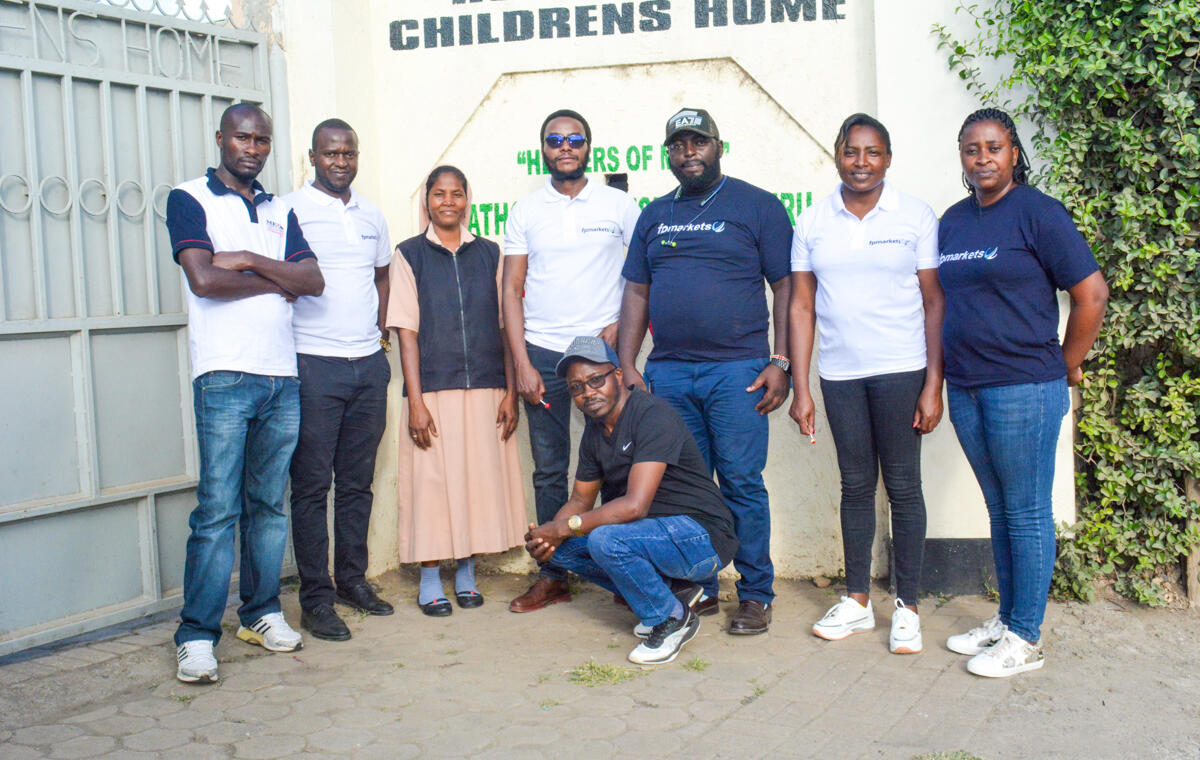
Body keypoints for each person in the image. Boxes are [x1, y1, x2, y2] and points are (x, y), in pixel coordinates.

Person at [938, 108, 1108, 677]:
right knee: (1000, 507)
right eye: (972, 149)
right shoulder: (954, 221)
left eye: (994, 147)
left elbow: (1092, 295)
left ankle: (1026, 638)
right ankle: (1008, 619)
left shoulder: (1038, 213)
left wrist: (1064, 366)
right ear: (962, 157)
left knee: (1028, 510)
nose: (982, 158)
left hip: (1024, 388)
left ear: (1014, 153)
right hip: (967, 386)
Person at [618, 107, 793, 635]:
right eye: (678, 145)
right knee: (686, 488)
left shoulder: (757, 205)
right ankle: (702, 585)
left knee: (741, 482)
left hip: (738, 372)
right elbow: (637, 292)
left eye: (698, 142)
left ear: (719, 146)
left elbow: (786, 288)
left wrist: (781, 361)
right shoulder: (654, 214)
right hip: (669, 374)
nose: (688, 152)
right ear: (667, 154)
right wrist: (627, 363)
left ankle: (756, 593)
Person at [166, 103, 324, 683]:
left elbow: (312, 280)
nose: (252, 148)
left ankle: (259, 613)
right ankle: (196, 635)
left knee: (268, 505)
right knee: (217, 510)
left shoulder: (281, 210)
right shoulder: (188, 199)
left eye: (261, 140)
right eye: (242, 138)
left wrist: (252, 262)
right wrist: (276, 279)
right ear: (221, 139)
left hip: (281, 377)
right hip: (224, 375)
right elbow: (205, 279)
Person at [788, 113, 945, 654]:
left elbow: (934, 302)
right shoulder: (812, 221)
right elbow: (801, 306)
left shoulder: (915, 216)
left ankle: (907, 608)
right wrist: (802, 388)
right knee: (855, 486)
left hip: (903, 369)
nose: (861, 162)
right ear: (837, 156)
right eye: (851, 152)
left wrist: (933, 383)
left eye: (872, 152)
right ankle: (857, 602)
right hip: (840, 375)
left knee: (903, 487)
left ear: (888, 159)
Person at [525, 336, 739, 665]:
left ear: (618, 376)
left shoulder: (652, 414)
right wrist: (547, 536)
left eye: (595, 380)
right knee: (563, 548)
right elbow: (580, 501)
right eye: (576, 387)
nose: (587, 392)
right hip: (653, 536)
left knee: (605, 539)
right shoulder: (595, 432)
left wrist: (564, 527)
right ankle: (672, 594)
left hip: (702, 536)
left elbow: (634, 506)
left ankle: (672, 619)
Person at [503, 109, 642, 613]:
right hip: (543, 354)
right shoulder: (525, 211)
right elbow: (510, 288)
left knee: (619, 464)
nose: (565, 147)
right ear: (543, 148)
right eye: (555, 140)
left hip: (600, 353)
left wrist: (622, 327)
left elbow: (641, 275)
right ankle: (553, 574)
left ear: (589, 147)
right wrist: (521, 361)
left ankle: (624, 572)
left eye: (575, 139)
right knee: (549, 469)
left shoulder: (618, 205)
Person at [388, 165, 526, 616]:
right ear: (426, 200)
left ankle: (466, 572)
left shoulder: (490, 253)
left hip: (487, 388)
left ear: (468, 200)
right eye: (439, 194)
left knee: (474, 483)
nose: (448, 202)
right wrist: (416, 402)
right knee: (432, 486)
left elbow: (506, 327)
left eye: (457, 194)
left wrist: (510, 393)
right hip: (433, 391)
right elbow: (406, 333)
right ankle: (430, 578)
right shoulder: (409, 254)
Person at [283, 119, 393, 643]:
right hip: (314, 363)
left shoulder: (371, 214)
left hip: (367, 364)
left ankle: (352, 581)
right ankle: (316, 599)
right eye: (330, 153)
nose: (341, 162)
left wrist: (381, 333)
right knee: (311, 487)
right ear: (312, 156)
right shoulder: (289, 210)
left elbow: (382, 275)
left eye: (348, 153)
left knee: (356, 483)